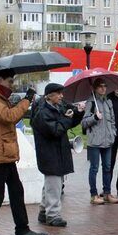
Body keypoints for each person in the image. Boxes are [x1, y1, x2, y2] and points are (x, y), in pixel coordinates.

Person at [0, 71, 46, 235]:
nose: (12, 84)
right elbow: (9, 117)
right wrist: (26, 101)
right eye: (9, 81)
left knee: (16, 191)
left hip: (4, 152)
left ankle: (22, 230)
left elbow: (7, 115)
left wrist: (19, 102)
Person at [32, 83, 82, 227]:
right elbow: (56, 130)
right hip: (49, 153)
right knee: (54, 184)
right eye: (58, 93)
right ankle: (53, 215)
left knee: (51, 183)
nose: (61, 96)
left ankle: (43, 211)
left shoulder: (56, 108)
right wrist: (66, 119)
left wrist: (77, 114)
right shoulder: (43, 113)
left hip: (57, 152)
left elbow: (67, 124)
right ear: (49, 95)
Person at [82, 78, 118, 205]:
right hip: (95, 141)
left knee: (108, 167)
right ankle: (93, 194)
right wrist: (94, 117)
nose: (103, 89)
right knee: (94, 168)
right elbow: (84, 122)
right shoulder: (91, 103)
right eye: (100, 86)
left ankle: (107, 193)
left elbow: (113, 120)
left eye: (105, 86)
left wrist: (113, 133)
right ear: (95, 88)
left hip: (108, 140)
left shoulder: (108, 102)